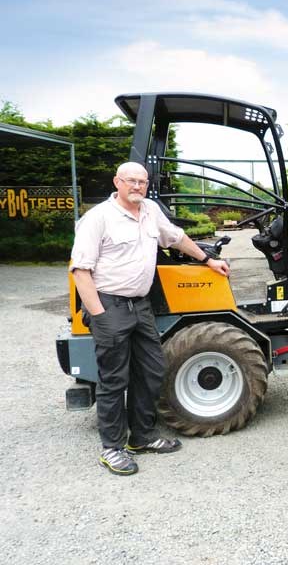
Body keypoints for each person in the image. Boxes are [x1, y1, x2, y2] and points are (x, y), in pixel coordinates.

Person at [70, 161, 230, 475]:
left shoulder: (150, 210)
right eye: (131, 181)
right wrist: (99, 316)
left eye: (142, 182)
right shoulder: (98, 218)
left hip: (139, 305)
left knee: (152, 370)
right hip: (109, 304)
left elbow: (176, 237)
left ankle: (141, 437)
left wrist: (208, 258)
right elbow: (80, 271)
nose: (137, 187)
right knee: (114, 379)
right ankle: (112, 447)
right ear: (117, 181)